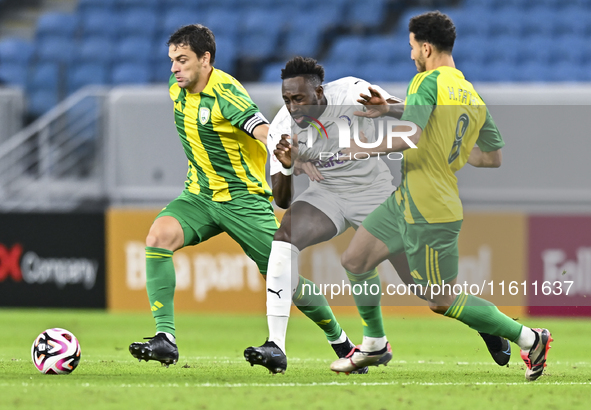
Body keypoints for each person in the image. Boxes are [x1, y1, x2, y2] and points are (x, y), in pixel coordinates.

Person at [243, 56, 508, 375]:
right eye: (287, 99)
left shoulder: (352, 91)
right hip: (326, 195)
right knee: (284, 238)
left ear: (320, 92)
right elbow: (283, 200)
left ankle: (488, 326)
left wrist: (393, 111)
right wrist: (286, 163)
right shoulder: (282, 129)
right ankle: (276, 345)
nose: (293, 107)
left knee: (429, 290)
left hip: (373, 193)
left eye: (299, 98)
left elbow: (409, 113)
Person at [329, 11, 552, 381]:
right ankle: (373, 343)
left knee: (441, 300)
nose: (411, 54)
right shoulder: (469, 93)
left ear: (426, 47)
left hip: (430, 207)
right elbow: (492, 157)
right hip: (407, 197)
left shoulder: (424, 81)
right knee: (355, 260)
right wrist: (396, 114)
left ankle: (530, 338)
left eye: (413, 47)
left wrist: (361, 147)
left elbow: (411, 135)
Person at [128, 25, 357, 371]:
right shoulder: (179, 92)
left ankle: (343, 344)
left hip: (243, 201)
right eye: (172, 60)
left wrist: (287, 149)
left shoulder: (226, 92)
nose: (174, 67)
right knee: (157, 238)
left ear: (206, 59)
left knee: (285, 278)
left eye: (183, 59)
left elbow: (260, 127)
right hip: (200, 196)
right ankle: (166, 340)